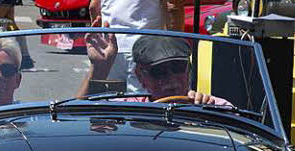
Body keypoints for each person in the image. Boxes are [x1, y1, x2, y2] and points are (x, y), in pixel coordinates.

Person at [77, 33, 224, 104]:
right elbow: (76, 116)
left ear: (189, 70)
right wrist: (98, 68)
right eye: (158, 71)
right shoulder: (131, 106)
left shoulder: (213, 105)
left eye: (178, 68)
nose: (171, 79)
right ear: (140, 77)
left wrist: (208, 112)